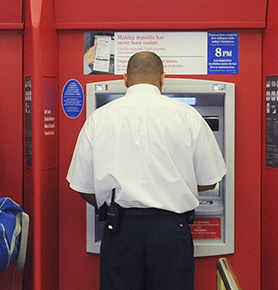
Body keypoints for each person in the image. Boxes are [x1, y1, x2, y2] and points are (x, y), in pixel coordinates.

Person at [66, 51, 228, 290]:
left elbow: (82, 186)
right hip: (172, 232)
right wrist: (179, 185)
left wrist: (109, 206)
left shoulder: (99, 118)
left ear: (125, 79)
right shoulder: (188, 116)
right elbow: (210, 181)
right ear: (162, 78)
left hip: (120, 231)